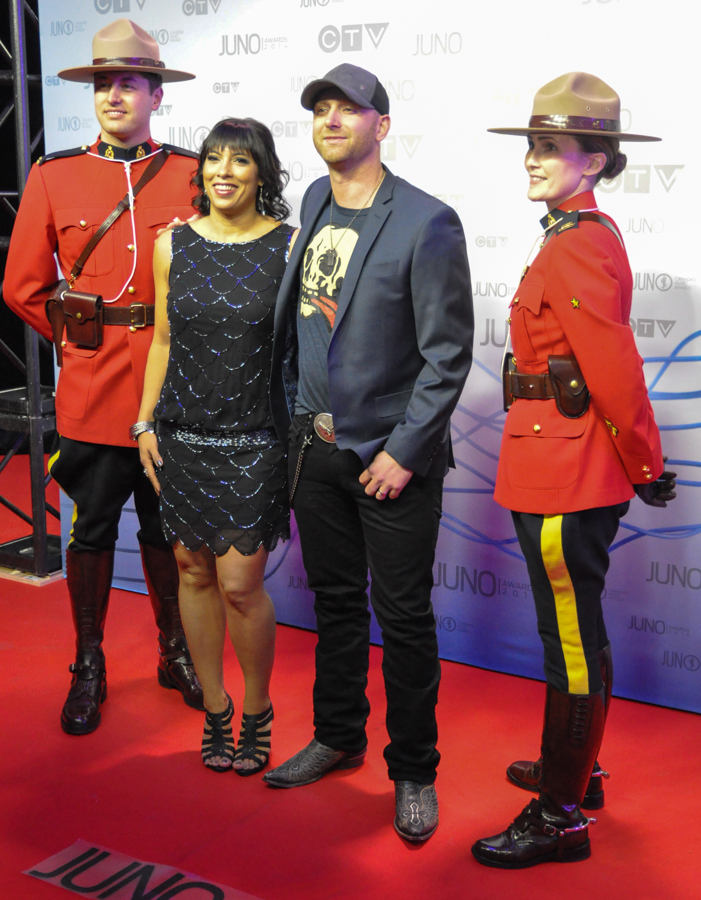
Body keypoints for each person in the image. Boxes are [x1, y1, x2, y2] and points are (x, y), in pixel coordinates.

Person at [262, 64, 474, 842]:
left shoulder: (426, 221)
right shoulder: (313, 202)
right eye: (319, 109)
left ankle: (414, 769)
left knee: (405, 616)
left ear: (380, 124)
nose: (329, 120)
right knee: (336, 604)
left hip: (389, 462)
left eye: (347, 109)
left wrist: (404, 452)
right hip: (312, 450)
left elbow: (447, 354)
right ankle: (336, 736)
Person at [471, 72, 677, 868]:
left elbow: (613, 369)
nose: (531, 158)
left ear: (592, 160)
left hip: (569, 467)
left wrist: (643, 463)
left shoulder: (581, 241)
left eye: (549, 147)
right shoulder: (564, 232)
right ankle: (575, 772)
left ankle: (559, 814)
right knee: (571, 635)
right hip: (549, 456)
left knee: (571, 643)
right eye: (530, 143)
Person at [4, 19, 205, 735]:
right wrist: (78, 341)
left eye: (128, 83)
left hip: (172, 389)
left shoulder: (192, 174)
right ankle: (87, 663)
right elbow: (23, 285)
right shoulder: (54, 175)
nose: (113, 96)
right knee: (89, 532)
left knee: (166, 529)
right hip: (91, 389)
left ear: (156, 92)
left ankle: (174, 652)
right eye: (102, 85)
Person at [136, 118, 293, 775]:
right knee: (192, 572)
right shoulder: (172, 244)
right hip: (182, 435)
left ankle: (257, 708)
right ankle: (218, 710)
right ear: (199, 171)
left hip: (255, 437)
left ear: (262, 173)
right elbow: (163, 342)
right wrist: (144, 424)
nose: (223, 170)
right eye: (212, 159)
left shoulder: (290, 247)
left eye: (240, 160)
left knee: (238, 583)